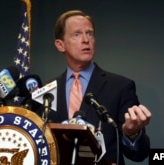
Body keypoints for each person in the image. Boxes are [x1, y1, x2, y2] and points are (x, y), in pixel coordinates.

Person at [47, 10, 151, 165]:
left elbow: (139, 154)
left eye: (90, 33)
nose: (85, 40)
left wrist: (132, 133)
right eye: (77, 34)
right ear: (60, 45)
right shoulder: (48, 90)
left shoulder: (120, 86)